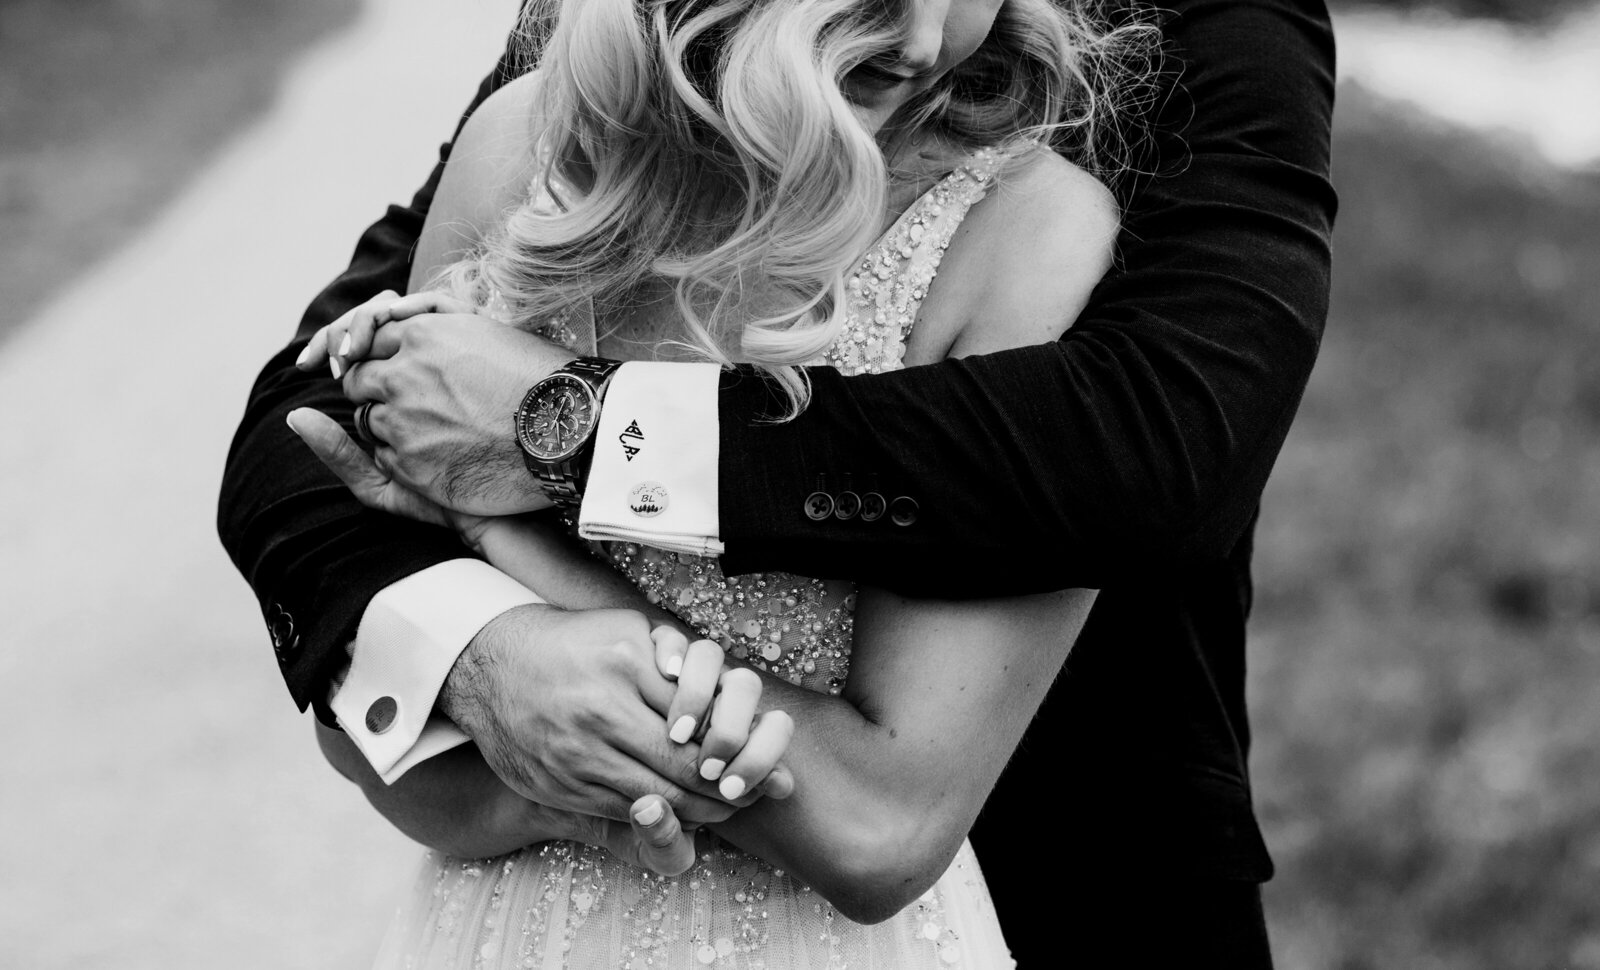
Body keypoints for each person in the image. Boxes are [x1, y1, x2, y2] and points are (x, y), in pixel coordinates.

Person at [217, 0, 1336, 965]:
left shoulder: (1061, 179)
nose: (926, 38)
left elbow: (1164, 446)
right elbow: (319, 425)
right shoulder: (552, 123)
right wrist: (485, 665)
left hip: (1064, 879)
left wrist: (554, 441)